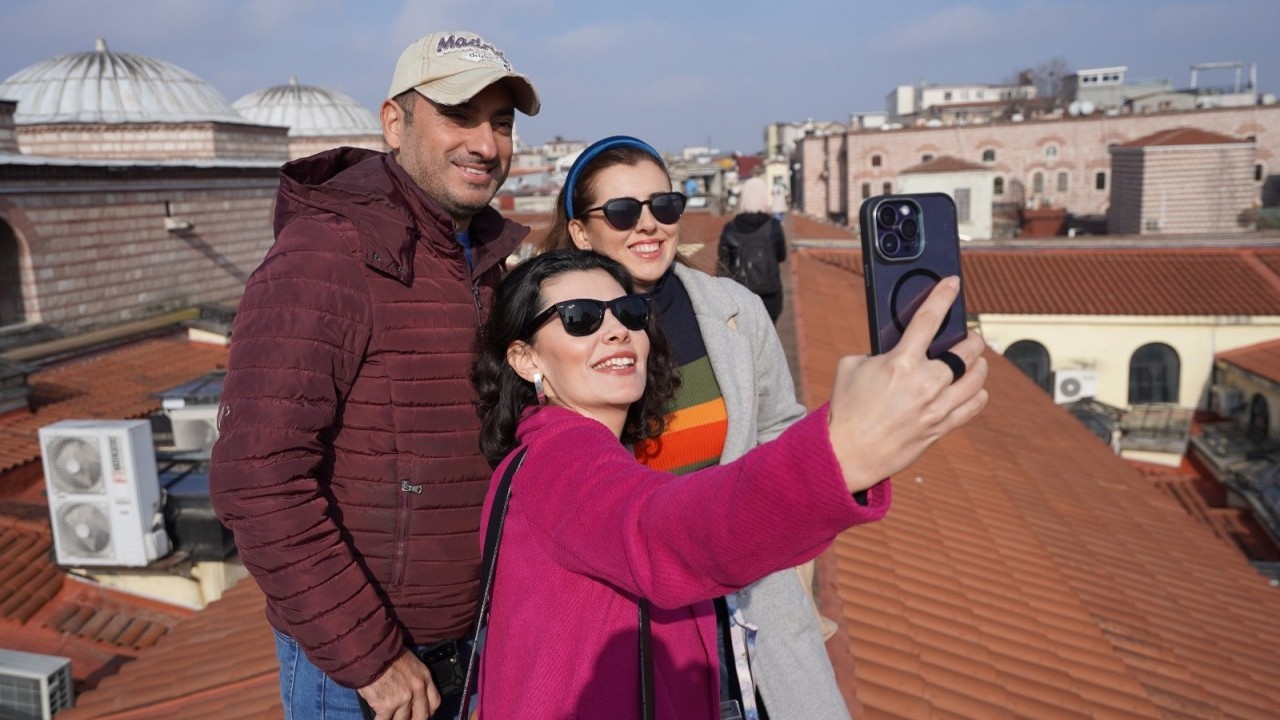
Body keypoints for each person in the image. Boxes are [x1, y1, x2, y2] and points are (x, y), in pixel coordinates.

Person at [469, 248, 988, 720]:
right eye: (579, 319)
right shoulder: (562, 460)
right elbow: (666, 531)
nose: (616, 331)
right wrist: (839, 453)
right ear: (526, 359)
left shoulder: (541, 455)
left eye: (629, 313)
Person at [209, 30, 540, 720]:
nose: (486, 143)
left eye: (501, 122)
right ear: (395, 123)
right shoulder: (327, 255)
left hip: (467, 648)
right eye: (459, 115)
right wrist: (371, 656)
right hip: (360, 675)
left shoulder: (479, 260)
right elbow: (256, 475)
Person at [534, 136, 855, 719]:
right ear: (581, 233)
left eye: (665, 206)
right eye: (624, 212)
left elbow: (777, 432)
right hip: (636, 622)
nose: (649, 225)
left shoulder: (733, 310)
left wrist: (799, 569)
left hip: (753, 610)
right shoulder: (557, 335)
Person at [718, 170, 788, 322]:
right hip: (770, 296)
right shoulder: (773, 226)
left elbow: (722, 267)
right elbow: (782, 256)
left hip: (742, 297)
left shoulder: (731, 228)